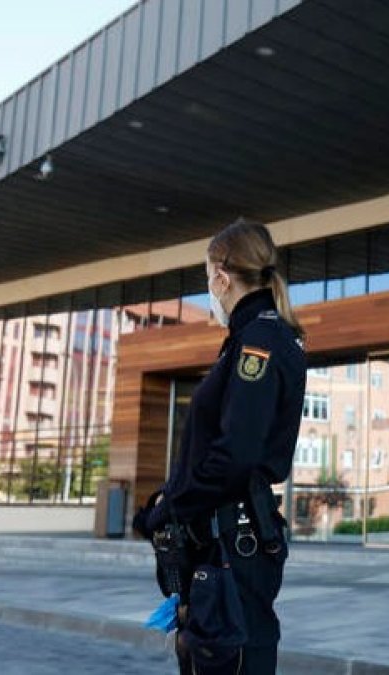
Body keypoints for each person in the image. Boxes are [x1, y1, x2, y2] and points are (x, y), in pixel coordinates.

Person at [138, 218, 306, 674]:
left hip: (233, 539)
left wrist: (169, 508)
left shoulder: (259, 343)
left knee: (229, 660)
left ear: (221, 275)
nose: (207, 289)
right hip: (223, 540)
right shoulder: (250, 339)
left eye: (207, 276)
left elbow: (236, 454)